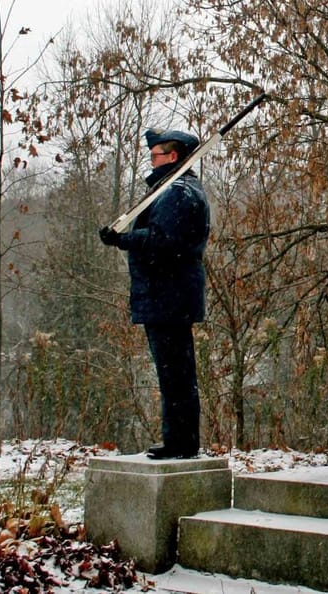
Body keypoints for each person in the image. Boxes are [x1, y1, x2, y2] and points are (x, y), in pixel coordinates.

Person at [100, 128, 210, 459]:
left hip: (169, 296)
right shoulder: (171, 189)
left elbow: (165, 242)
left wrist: (124, 240)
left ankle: (181, 443)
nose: (152, 161)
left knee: (175, 374)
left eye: (155, 156)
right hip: (167, 296)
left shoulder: (178, 193)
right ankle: (179, 440)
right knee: (173, 373)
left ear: (173, 156)